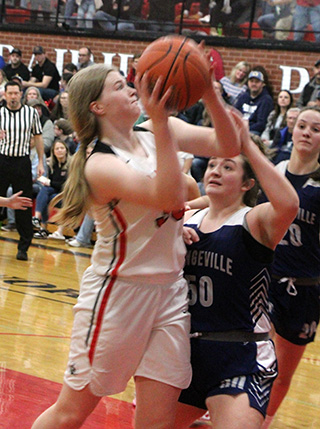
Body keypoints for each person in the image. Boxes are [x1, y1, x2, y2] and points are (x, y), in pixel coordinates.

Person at [31, 58, 241, 428]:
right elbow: (169, 197)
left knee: (157, 421)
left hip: (170, 292)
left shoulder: (156, 131)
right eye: (118, 86)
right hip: (118, 295)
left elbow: (229, 142)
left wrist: (207, 92)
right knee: (71, 413)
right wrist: (161, 122)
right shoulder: (99, 164)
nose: (131, 89)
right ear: (97, 107)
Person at [174, 120, 299, 429]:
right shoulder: (186, 220)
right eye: (212, 164)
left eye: (228, 167)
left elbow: (288, 204)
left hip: (240, 354)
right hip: (184, 351)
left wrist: (247, 147)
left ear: (248, 184)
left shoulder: (254, 221)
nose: (215, 170)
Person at [261, 106, 320, 429]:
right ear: (292, 129)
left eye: (316, 128)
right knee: (251, 352)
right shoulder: (276, 170)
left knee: (283, 370)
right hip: (267, 279)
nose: (307, 132)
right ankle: (236, 408)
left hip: (306, 288)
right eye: (302, 125)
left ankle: (265, 420)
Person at [0, 80, 44, 261]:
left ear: (21, 94)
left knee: (23, 204)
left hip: (22, 161)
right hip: (2, 159)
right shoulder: (0, 113)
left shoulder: (31, 113)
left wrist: (41, 161)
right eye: (9, 93)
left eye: (15, 93)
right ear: (5, 95)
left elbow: (38, 137)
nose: (12, 96)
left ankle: (23, 247)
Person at [32, 139, 70, 239]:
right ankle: (39, 222)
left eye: (62, 148)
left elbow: (66, 186)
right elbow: (53, 185)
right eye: (57, 149)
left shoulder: (71, 164)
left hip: (67, 195)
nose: (60, 150)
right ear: (53, 152)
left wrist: (50, 183)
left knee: (47, 193)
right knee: (45, 191)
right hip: (55, 193)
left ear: (66, 150)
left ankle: (41, 224)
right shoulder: (52, 164)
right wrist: (47, 182)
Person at [234, 70, 274, 136]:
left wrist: (244, 129)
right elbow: (234, 114)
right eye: (251, 81)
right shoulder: (243, 96)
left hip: (254, 132)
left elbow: (261, 124)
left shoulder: (266, 100)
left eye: (257, 82)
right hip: (239, 128)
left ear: (262, 84)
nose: (254, 84)